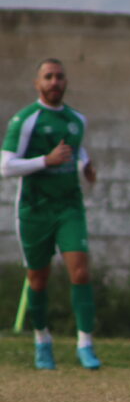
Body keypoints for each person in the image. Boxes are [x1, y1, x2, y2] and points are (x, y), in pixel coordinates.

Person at [1, 59, 101, 370]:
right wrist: (46, 161)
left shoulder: (77, 119)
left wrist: (85, 165)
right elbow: (6, 166)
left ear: (66, 82)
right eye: (48, 77)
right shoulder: (25, 120)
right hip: (35, 208)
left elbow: (76, 148)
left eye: (59, 76)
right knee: (38, 278)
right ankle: (42, 340)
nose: (54, 82)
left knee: (80, 272)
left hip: (69, 206)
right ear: (38, 83)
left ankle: (85, 344)